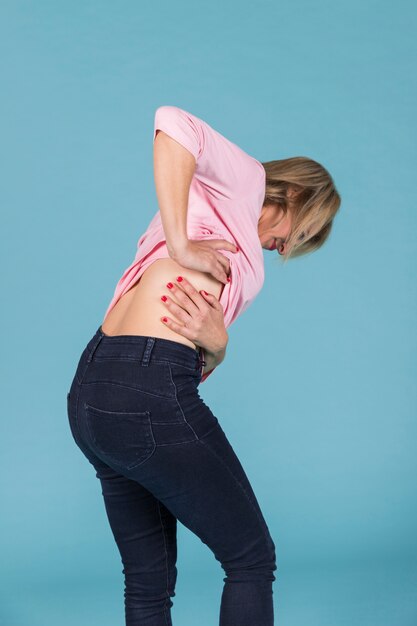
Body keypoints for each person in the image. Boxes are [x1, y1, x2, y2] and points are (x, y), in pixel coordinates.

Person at [66, 105, 341, 626]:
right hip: (144, 384)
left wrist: (218, 348)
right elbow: (172, 121)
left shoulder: (213, 203)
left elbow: (188, 338)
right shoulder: (246, 185)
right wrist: (181, 243)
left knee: (148, 583)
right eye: (300, 233)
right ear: (297, 195)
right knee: (251, 559)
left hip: (94, 387)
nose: (287, 247)